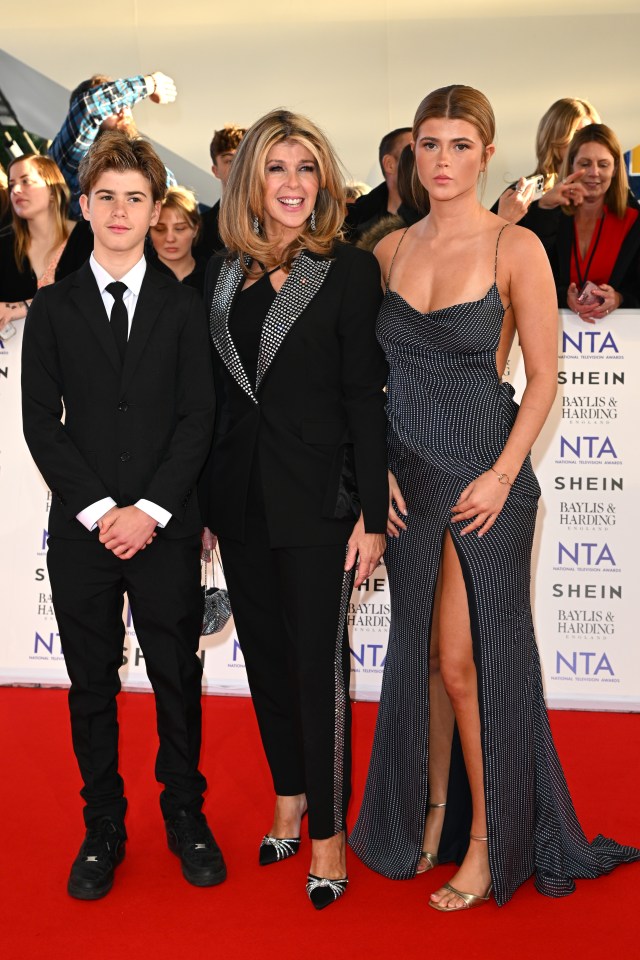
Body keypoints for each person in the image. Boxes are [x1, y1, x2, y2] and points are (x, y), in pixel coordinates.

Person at [349, 84, 639, 910]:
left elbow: (544, 378)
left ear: (486, 152)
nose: (442, 161)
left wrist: (504, 472)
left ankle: (488, 841)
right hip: (410, 479)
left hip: (486, 477)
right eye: (428, 146)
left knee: (465, 665)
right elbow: (368, 382)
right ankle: (435, 819)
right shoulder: (388, 251)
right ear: (413, 157)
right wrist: (383, 477)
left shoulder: (517, 248)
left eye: (459, 145)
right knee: (426, 662)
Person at [21, 131, 224, 901]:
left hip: (165, 529)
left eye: (134, 198)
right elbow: (43, 422)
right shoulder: (54, 308)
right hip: (84, 532)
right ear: (83, 206)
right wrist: (106, 511)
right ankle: (103, 823)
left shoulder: (182, 307)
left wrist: (152, 511)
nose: (119, 210)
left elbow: (196, 419)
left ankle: (185, 813)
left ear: (156, 209)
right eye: (104, 196)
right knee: (91, 685)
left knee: (177, 675)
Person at [200, 108, 388, 910]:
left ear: (325, 182)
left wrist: (373, 516)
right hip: (239, 504)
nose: (292, 185)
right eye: (276, 169)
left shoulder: (346, 271)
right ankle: (288, 796)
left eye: (306, 168)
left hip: (319, 505)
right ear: (250, 182)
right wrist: (205, 501)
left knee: (320, 675)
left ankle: (328, 835)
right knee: (268, 665)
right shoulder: (221, 271)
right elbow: (214, 398)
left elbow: (363, 400)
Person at [542, 123, 640, 318]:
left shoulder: (634, 220)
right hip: (557, 335)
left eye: (603, 165)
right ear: (571, 165)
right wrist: (563, 297)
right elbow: (529, 280)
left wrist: (620, 299)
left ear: (614, 169)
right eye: (585, 164)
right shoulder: (551, 214)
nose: (594, 172)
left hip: (620, 340)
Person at [49, 71, 177, 219]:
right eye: (114, 105)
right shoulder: (74, 156)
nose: (123, 109)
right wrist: (151, 83)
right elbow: (89, 108)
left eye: (127, 103)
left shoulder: (150, 164)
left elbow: (176, 207)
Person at [0, 154, 93, 335]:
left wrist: (24, 306)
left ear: (52, 189)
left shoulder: (89, 238)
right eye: (12, 185)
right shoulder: (4, 246)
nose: (16, 190)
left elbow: (94, 299)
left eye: (26, 181)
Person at [492, 97, 600, 227]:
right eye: (576, 134)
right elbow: (485, 242)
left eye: (590, 135)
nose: (585, 143)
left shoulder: (604, 190)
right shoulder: (523, 193)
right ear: (555, 137)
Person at [344, 127, 412, 240]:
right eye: (411, 154)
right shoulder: (351, 224)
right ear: (390, 164)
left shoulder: (436, 218)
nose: (424, 160)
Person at [197, 124, 246, 257]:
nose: (237, 166)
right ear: (215, 170)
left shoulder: (274, 218)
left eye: (243, 159)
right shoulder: (199, 228)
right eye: (229, 161)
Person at [149, 186, 207, 295]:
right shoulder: (137, 277)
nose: (170, 238)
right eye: (160, 229)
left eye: (180, 228)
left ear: (195, 229)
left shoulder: (214, 276)